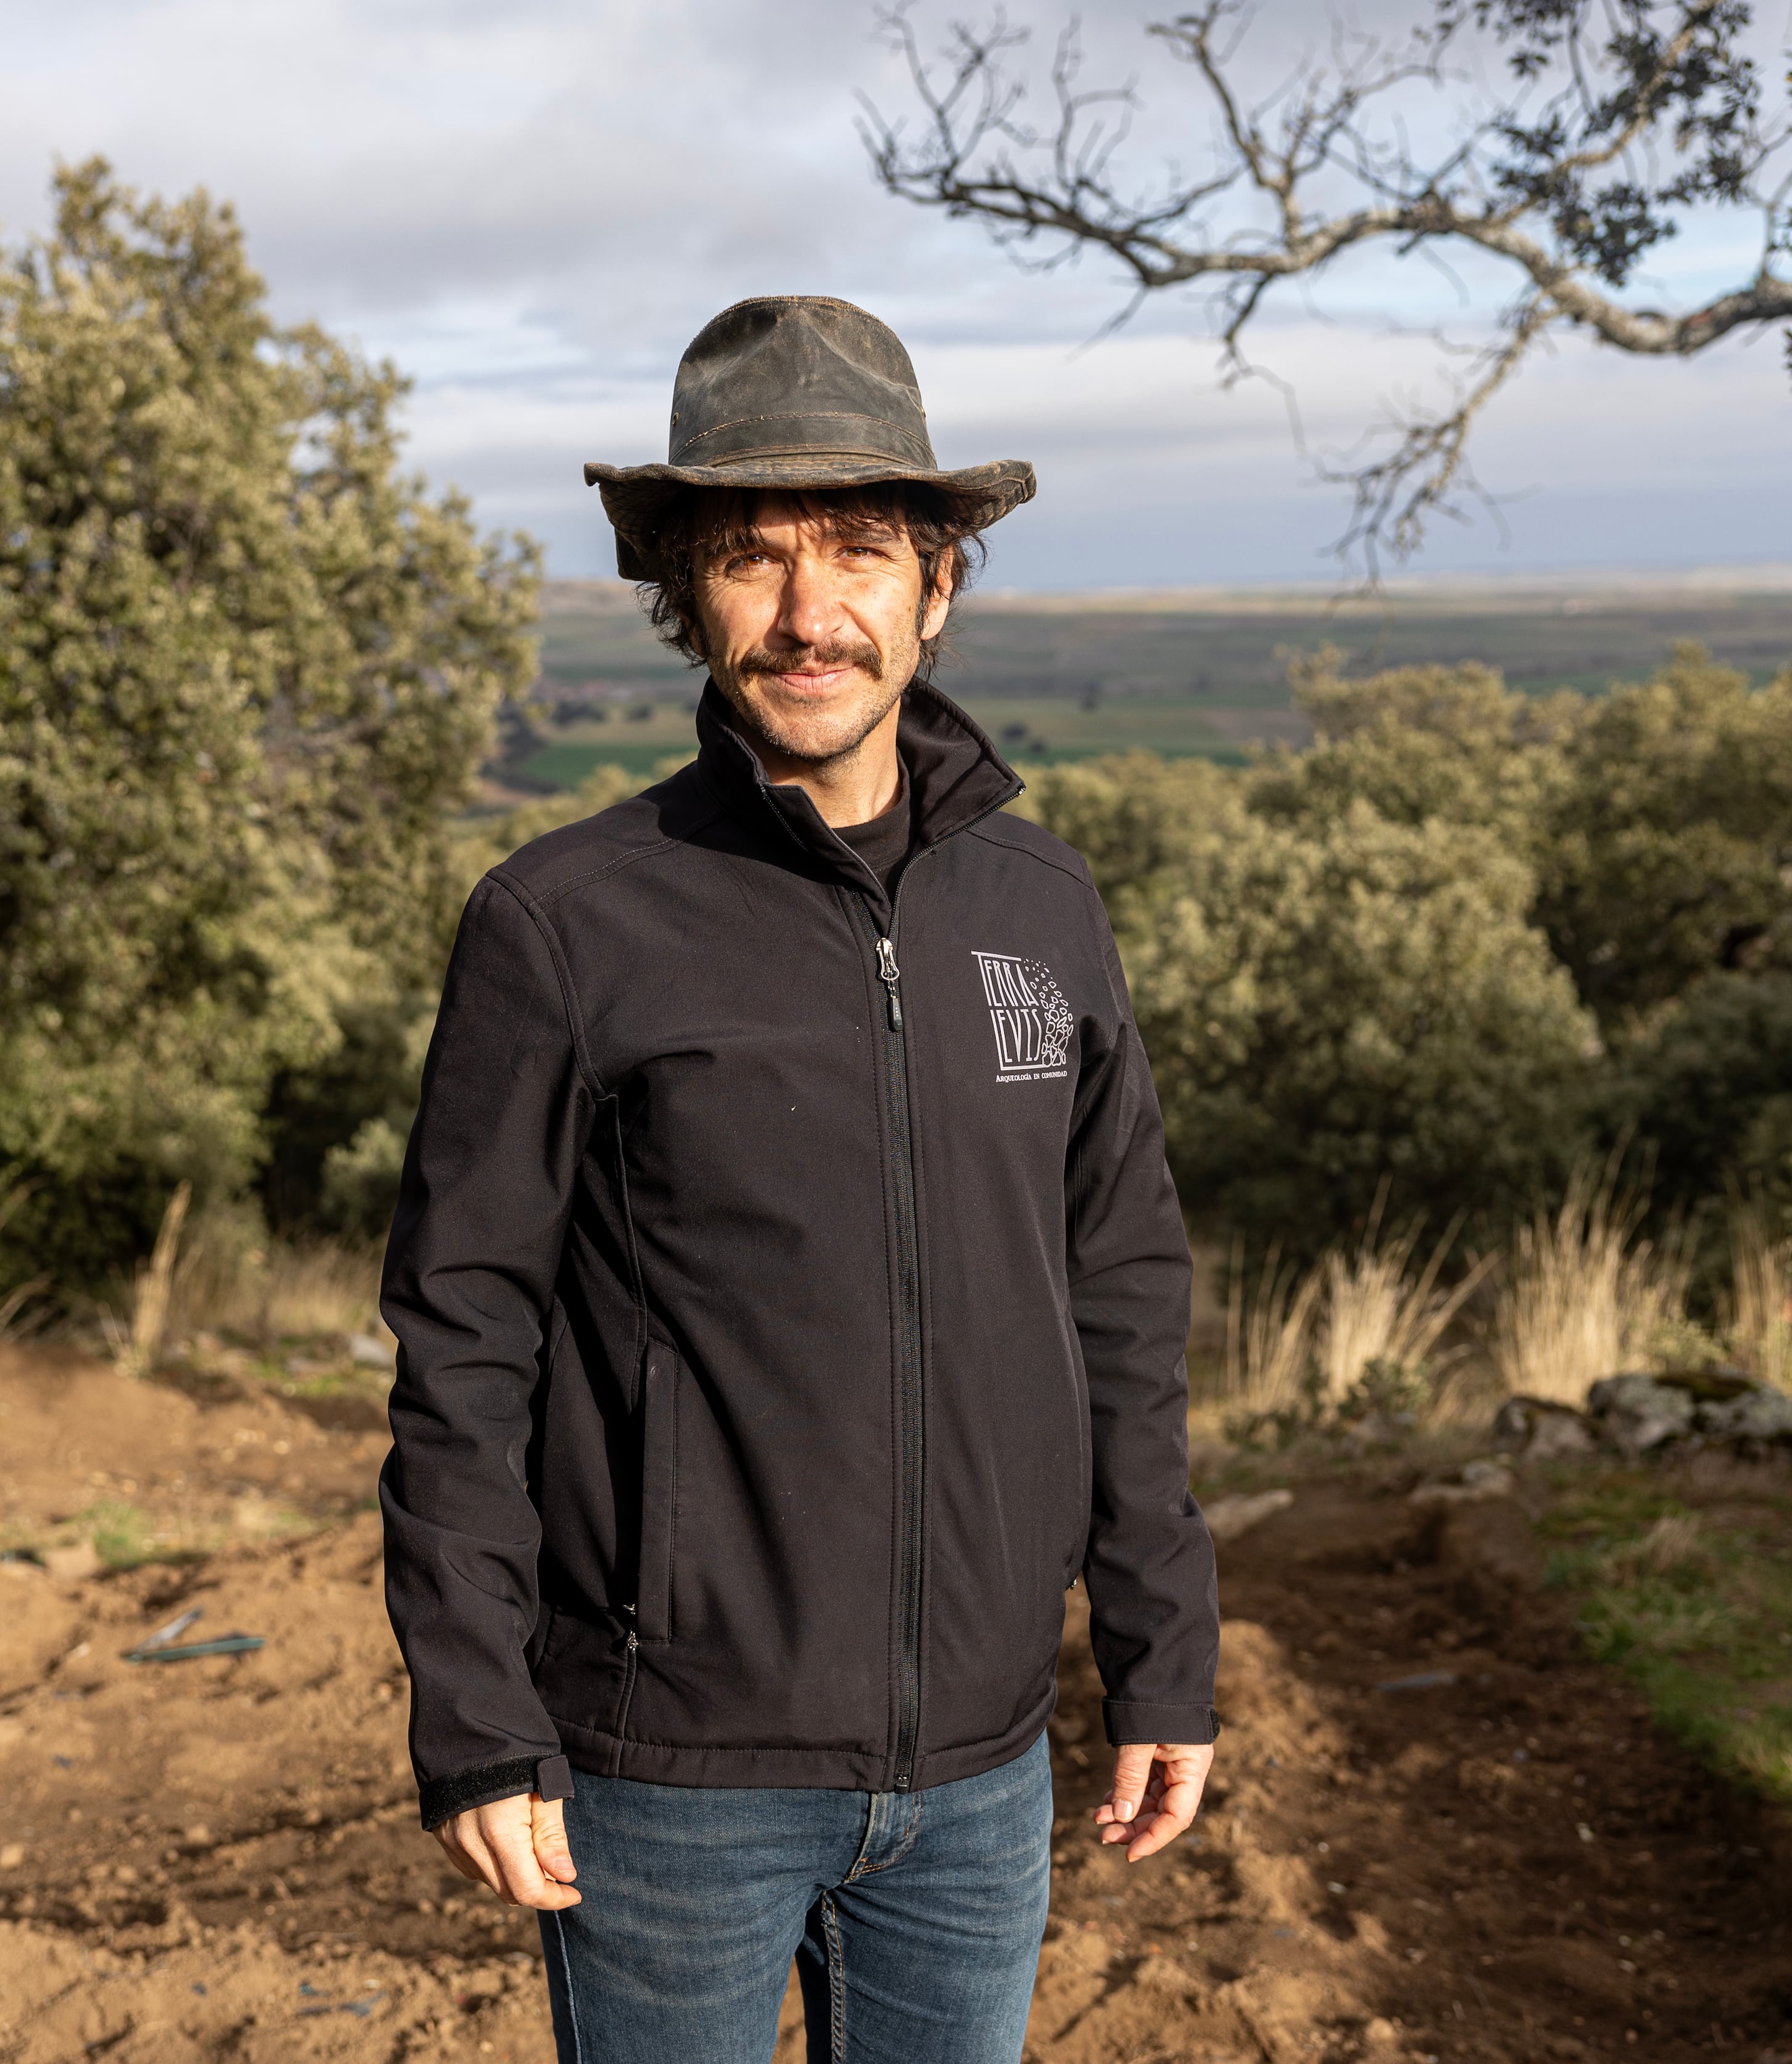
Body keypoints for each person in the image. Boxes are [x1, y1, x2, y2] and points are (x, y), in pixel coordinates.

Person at [378, 295, 1218, 2064]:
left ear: (940, 581)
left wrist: (1161, 1639)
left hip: (984, 1774)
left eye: (858, 549)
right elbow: (465, 1333)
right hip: (667, 1776)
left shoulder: (1040, 909)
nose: (809, 610)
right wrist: (475, 1707)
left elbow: (1123, 1288)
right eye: (751, 560)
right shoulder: (564, 923)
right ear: (685, 597)